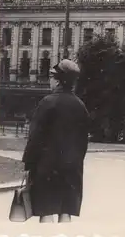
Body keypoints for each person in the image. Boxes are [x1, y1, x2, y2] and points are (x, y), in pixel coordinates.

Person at [22, 59, 91, 223]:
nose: (50, 80)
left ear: (59, 80)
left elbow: (35, 138)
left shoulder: (47, 103)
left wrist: (28, 165)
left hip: (47, 167)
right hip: (72, 168)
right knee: (65, 211)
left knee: (46, 211)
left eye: (52, 77)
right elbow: (83, 143)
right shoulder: (81, 106)